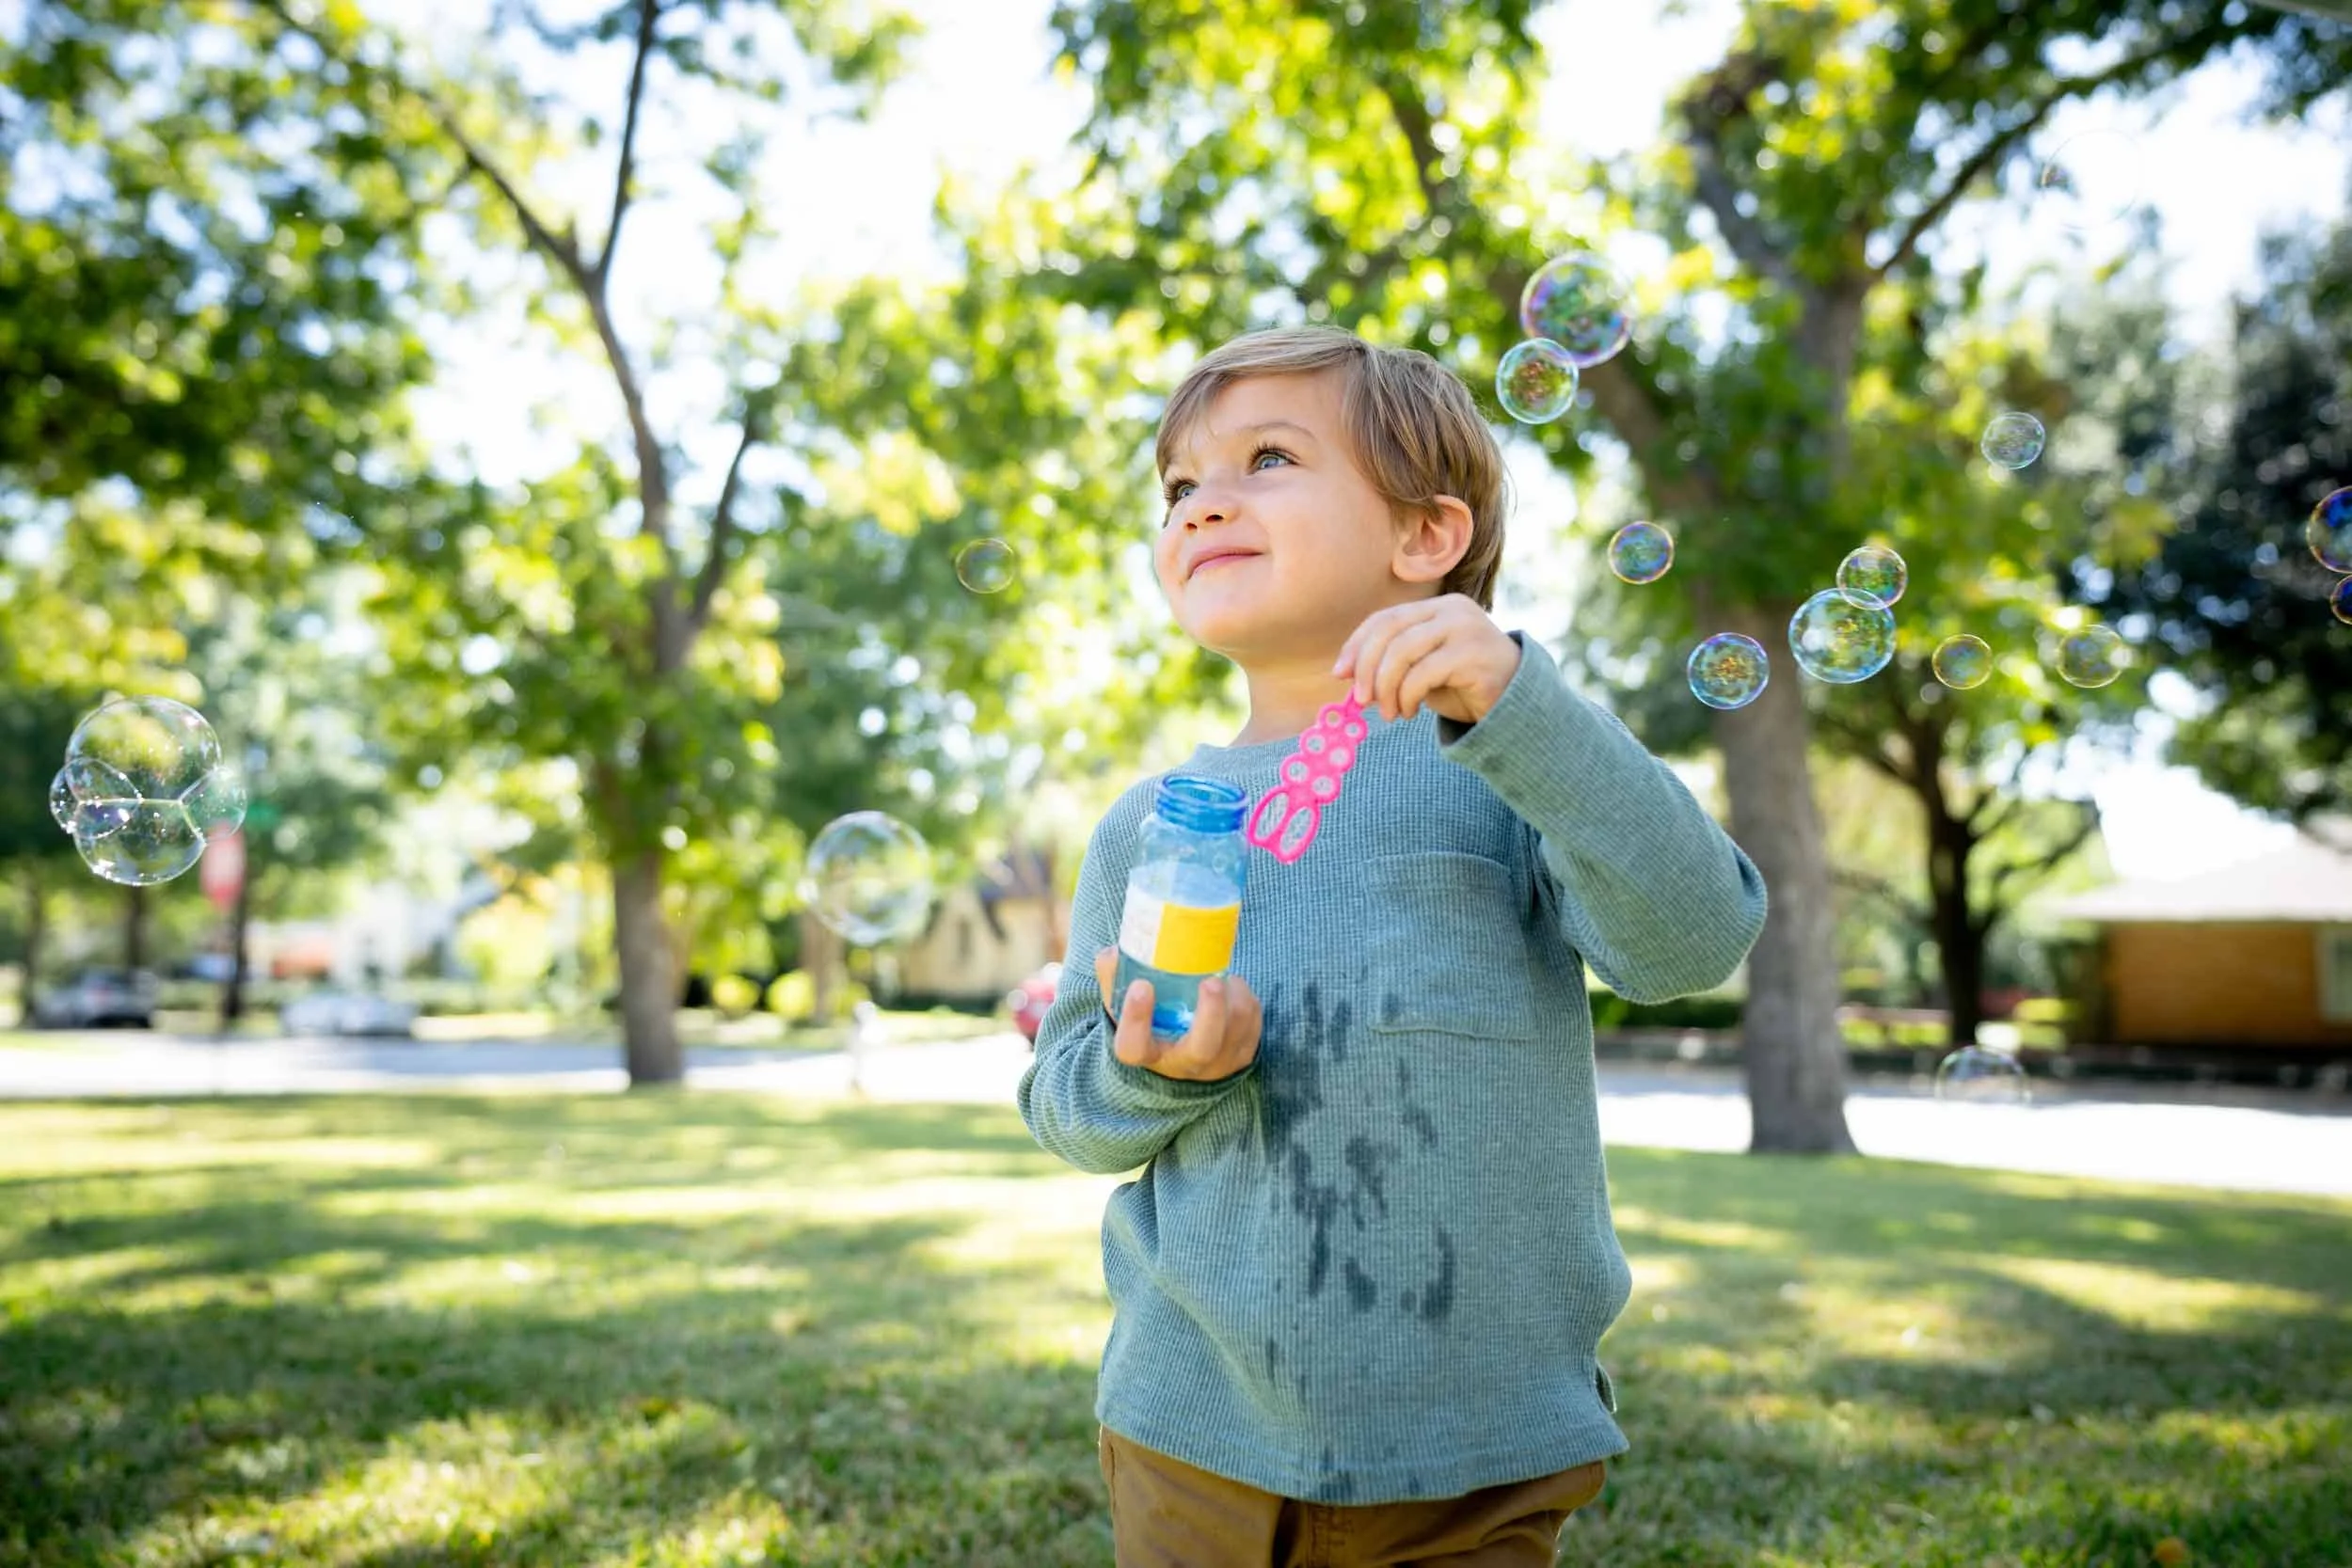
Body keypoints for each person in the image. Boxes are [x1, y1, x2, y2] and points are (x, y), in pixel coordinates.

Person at [1018, 325, 1769, 1567]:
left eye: (1266, 458)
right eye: (1180, 487)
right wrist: (1154, 1074)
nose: (1205, 505)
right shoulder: (1147, 827)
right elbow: (1067, 1103)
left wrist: (1525, 705)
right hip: (1188, 1432)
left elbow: (1693, 939)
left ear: (1427, 538)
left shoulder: (1515, 773)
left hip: (1471, 1453)